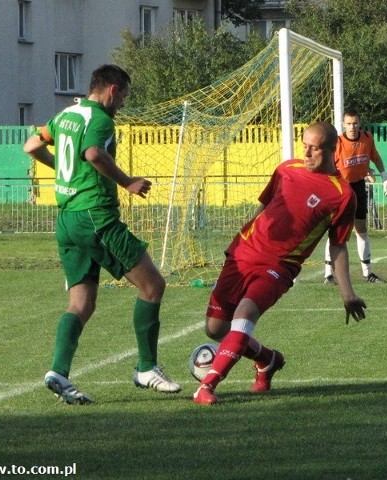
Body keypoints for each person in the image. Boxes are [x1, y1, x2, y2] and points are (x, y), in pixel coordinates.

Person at [23, 64, 182, 405]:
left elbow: (31, 146)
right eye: (123, 95)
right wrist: (128, 182)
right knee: (153, 285)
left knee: (81, 303)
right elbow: (94, 153)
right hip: (96, 216)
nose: (122, 103)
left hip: (66, 220)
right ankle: (146, 367)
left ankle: (58, 372)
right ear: (112, 90)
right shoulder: (100, 120)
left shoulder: (65, 115)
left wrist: (66, 170)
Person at [193, 121, 367, 405]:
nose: (307, 153)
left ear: (332, 149)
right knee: (215, 329)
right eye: (305, 146)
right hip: (242, 253)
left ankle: (207, 386)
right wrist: (246, 237)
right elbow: (265, 206)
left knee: (244, 316)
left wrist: (347, 293)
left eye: (315, 148)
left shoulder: (342, 194)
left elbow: (337, 245)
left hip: (278, 266)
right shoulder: (287, 169)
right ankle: (267, 359)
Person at [323, 108, 387, 285]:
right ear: (343, 125)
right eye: (349, 124)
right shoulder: (337, 143)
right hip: (340, 189)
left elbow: (375, 157)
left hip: (359, 186)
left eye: (355, 123)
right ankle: (328, 274)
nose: (352, 127)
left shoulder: (367, 138)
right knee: (336, 231)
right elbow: (328, 165)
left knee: (361, 230)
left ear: (359, 123)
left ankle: (368, 273)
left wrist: (385, 177)